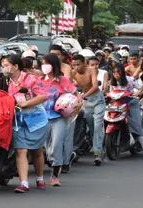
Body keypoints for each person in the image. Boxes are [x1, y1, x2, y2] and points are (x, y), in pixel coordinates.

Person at [3, 54, 49, 193]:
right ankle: (24, 183)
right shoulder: (8, 82)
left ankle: (40, 178)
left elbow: (43, 96)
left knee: (37, 151)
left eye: (5, 65)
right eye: (2, 66)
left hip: (36, 119)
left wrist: (26, 103)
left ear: (16, 66)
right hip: (18, 119)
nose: (3, 68)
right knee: (20, 150)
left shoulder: (31, 79)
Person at [39, 53, 82, 186]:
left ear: (53, 65)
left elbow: (77, 95)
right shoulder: (39, 81)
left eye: (46, 63)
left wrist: (79, 104)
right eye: (42, 63)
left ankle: (55, 175)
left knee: (56, 145)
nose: (44, 66)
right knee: (46, 147)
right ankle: (45, 170)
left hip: (59, 118)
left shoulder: (63, 80)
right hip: (41, 118)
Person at [110, 65, 143, 157]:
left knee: (137, 125)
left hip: (132, 103)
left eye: (118, 72)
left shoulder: (130, 79)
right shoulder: (112, 82)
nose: (116, 75)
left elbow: (141, 88)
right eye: (114, 73)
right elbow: (111, 93)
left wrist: (137, 92)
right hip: (118, 104)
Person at [72, 55, 106, 165]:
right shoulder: (73, 73)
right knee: (91, 127)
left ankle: (98, 153)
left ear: (84, 63)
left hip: (97, 99)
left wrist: (83, 95)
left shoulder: (91, 70)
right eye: (74, 65)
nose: (76, 67)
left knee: (97, 126)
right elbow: (68, 84)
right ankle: (96, 148)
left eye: (78, 64)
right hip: (86, 102)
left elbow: (95, 86)